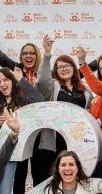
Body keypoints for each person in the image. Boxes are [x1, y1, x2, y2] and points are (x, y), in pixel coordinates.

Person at [35, 35, 94, 182]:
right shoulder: (53, 86)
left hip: (77, 144)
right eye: (60, 67)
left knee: (76, 181)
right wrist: (47, 55)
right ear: (56, 71)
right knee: (48, 182)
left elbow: (91, 114)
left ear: (74, 69)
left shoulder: (85, 91)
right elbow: (41, 81)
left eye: (67, 66)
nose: (64, 69)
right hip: (53, 143)